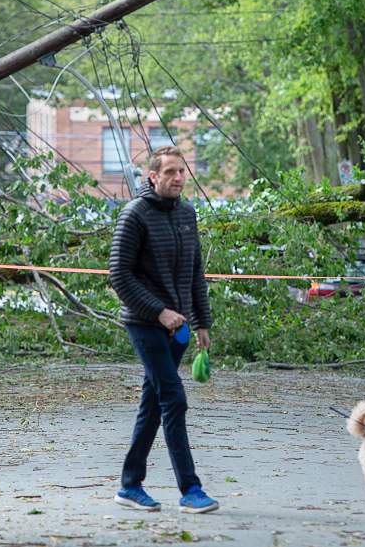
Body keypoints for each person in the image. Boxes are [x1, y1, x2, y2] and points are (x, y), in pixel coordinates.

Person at [108, 145, 219, 514]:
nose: (178, 178)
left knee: (153, 404)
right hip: (145, 323)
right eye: (170, 171)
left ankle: (129, 485)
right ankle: (190, 489)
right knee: (174, 398)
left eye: (181, 171)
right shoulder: (134, 215)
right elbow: (118, 276)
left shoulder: (187, 214)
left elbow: (195, 273)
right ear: (152, 176)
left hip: (181, 327)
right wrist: (159, 312)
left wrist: (202, 320)